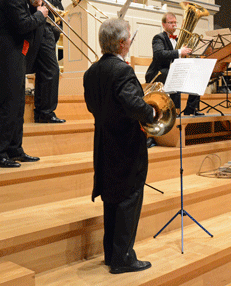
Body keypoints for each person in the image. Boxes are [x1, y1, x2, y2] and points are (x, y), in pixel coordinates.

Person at [84, 18, 156, 274]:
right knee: (128, 197)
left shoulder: (91, 72)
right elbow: (133, 104)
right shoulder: (122, 70)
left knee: (112, 198)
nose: (130, 43)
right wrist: (150, 112)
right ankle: (123, 258)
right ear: (122, 43)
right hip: (126, 144)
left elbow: (93, 106)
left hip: (104, 142)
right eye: (129, 39)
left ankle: (111, 254)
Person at [0, 0, 48, 168]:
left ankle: (14, 148)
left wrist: (33, 7)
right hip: (8, 55)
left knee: (19, 105)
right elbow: (23, 25)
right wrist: (40, 14)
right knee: (9, 104)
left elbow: (25, 24)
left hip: (16, 54)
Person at [28, 0, 66, 124]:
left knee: (48, 72)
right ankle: (46, 112)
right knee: (51, 71)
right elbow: (42, 6)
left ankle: (43, 112)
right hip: (42, 31)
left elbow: (57, 9)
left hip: (48, 32)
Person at [145, 12, 203, 116]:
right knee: (174, 74)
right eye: (171, 23)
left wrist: (187, 54)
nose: (174, 25)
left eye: (175, 23)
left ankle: (191, 109)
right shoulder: (158, 38)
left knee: (196, 76)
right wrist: (179, 52)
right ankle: (175, 111)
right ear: (163, 24)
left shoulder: (178, 40)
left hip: (171, 71)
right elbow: (159, 54)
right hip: (158, 72)